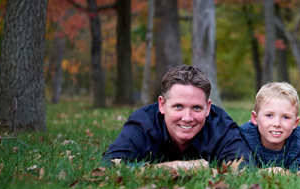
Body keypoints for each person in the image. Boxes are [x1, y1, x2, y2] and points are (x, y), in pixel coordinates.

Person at [102, 65, 250, 168]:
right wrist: (176, 167)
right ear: (162, 105)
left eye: (196, 108)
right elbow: (111, 165)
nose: (187, 117)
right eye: (178, 106)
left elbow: (244, 168)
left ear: (208, 108)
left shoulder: (222, 127)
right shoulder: (142, 123)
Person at [239, 82, 300, 172]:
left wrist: (282, 173)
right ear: (255, 118)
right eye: (269, 115)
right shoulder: (244, 136)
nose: (277, 124)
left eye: (286, 117)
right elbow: (242, 170)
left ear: (295, 123)